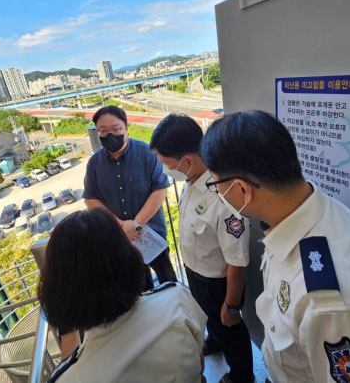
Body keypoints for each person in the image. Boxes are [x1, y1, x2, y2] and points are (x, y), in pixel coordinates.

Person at [200, 110, 350, 383]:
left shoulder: (337, 308)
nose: (218, 193)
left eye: (216, 185)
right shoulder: (305, 211)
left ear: (242, 189)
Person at [38, 208, 207, 383]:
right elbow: (199, 362)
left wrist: (68, 328)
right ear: (129, 256)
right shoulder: (177, 298)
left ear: (58, 287)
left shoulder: (71, 377)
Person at [150, 114, 254, 383]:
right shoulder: (192, 180)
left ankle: (242, 376)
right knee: (212, 321)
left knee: (230, 328)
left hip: (218, 284)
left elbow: (237, 263)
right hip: (195, 274)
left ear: (188, 160)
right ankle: (216, 341)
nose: (165, 170)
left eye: (166, 163)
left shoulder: (225, 197)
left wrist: (231, 305)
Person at [83, 106, 177, 288]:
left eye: (116, 129)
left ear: (126, 128)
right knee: (140, 286)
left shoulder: (147, 153)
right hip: (121, 240)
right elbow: (91, 199)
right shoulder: (94, 163)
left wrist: (135, 224)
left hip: (152, 235)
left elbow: (160, 190)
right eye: (103, 131)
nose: (110, 135)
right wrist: (120, 226)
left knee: (168, 280)